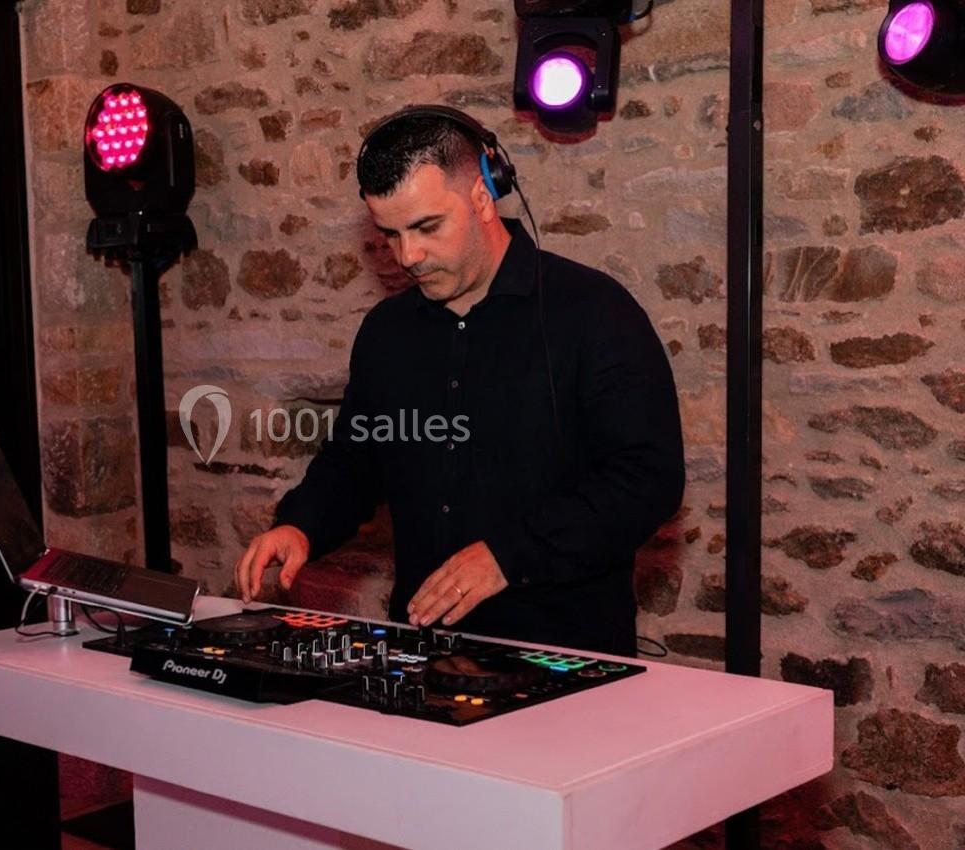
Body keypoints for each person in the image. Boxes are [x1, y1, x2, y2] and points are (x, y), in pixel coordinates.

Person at [233, 105, 684, 656]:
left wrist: (507, 556)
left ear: (482, 196)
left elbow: (646, 479)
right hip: (422, 651)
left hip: (566, 653)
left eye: (426, 227)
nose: (408, 256)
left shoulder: (593, 314)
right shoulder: (387, 333)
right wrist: (301, 526)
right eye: (390, 234)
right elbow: (357, 460)